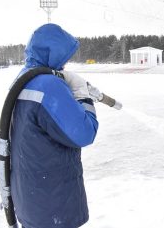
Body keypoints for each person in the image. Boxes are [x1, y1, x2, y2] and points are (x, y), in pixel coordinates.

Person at [10, 23, 100, 228]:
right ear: (54, 53)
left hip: (30, 200)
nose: (65, 63)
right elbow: (85, 133)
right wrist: (82, 96)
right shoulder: (48, 86)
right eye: (64, 57)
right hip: (54, 206)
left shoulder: (22, 79)